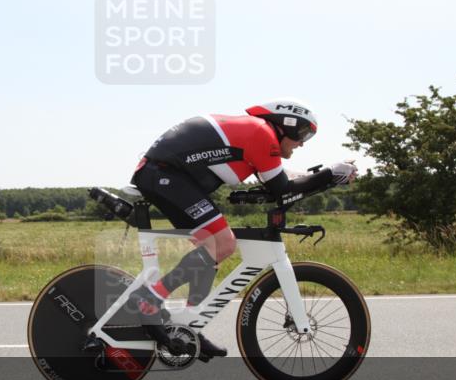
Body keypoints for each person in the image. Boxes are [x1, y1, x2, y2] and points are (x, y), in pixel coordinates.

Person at [127, 100, 357, 360]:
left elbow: (282, 181)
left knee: (211, 251)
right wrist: (329, 174)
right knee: (224, 243)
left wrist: (327, 177)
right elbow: (283, 190)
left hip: (166, 175)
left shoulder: (257, 134)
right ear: (286, 125)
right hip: (164, 175)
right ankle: (147, 299)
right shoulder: (263, 134)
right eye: (303, 134)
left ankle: (191, 324)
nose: (302, 143)